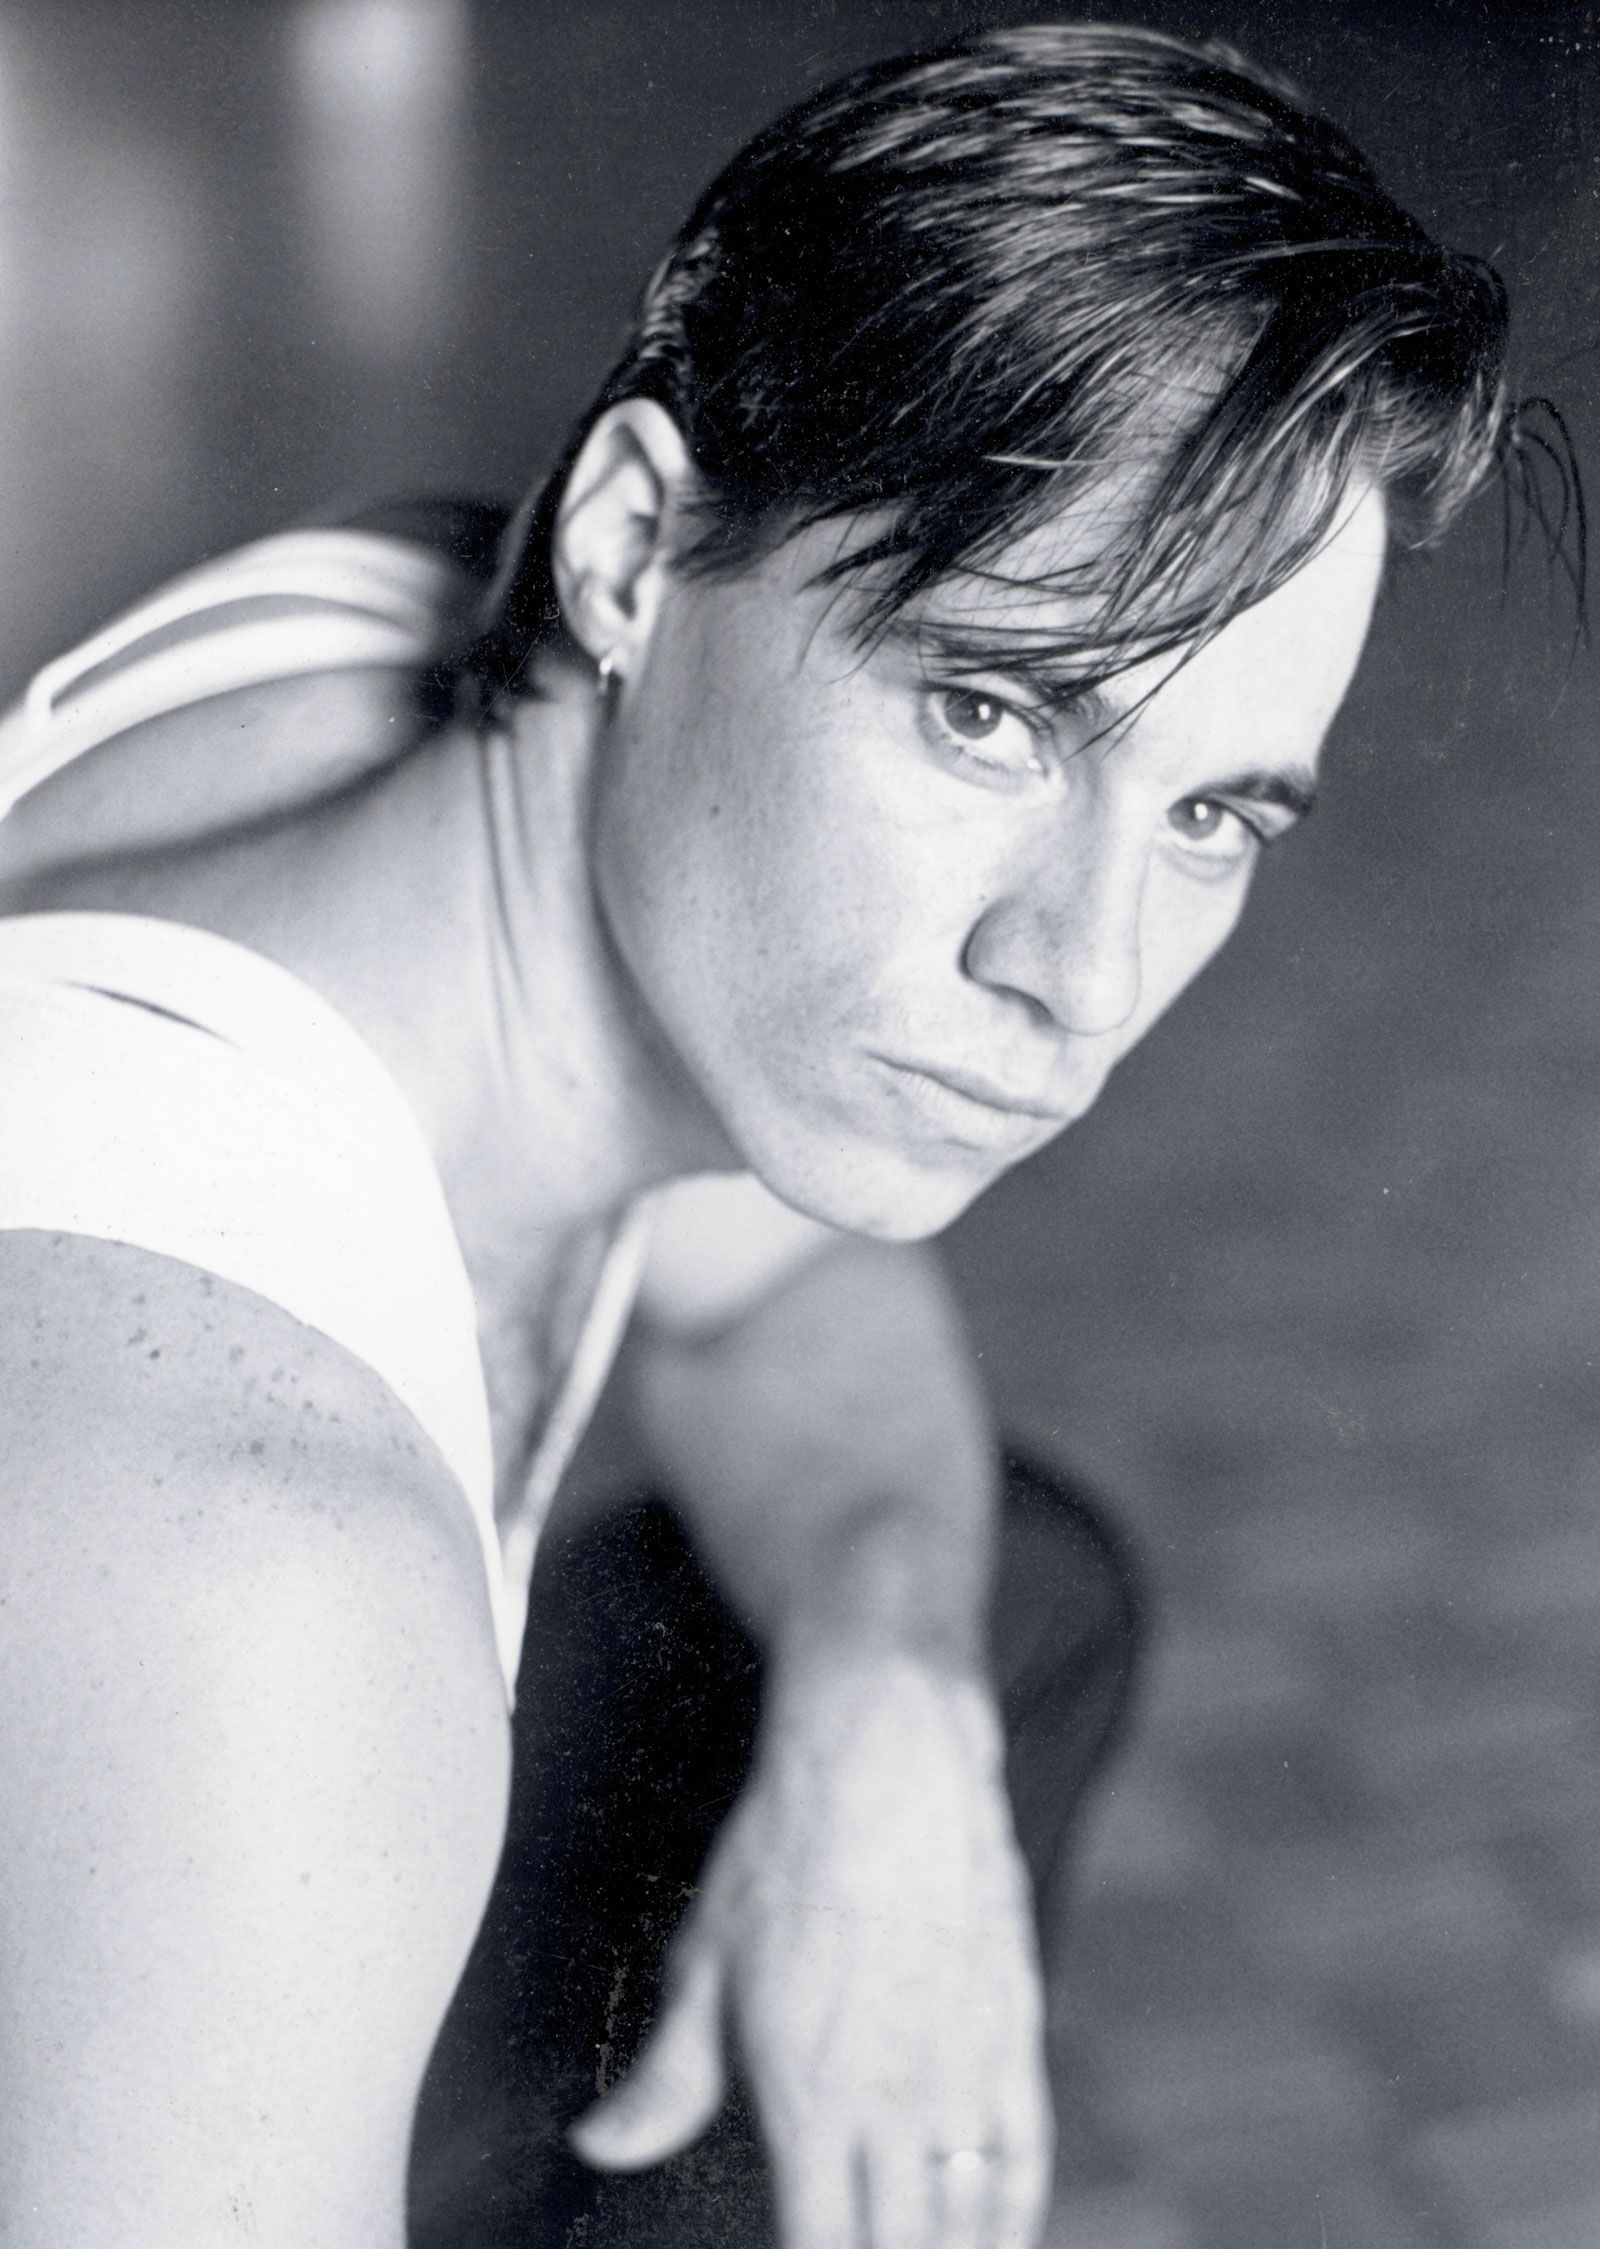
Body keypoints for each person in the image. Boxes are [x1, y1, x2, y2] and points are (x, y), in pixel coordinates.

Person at [0, 21, 1529, 2249]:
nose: (1077, 974)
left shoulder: (415, 686)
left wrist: (881, 1710)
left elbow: (783, 1288)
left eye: (1207, 813)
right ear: (632, 548)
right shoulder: (258, 1565)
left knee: (993, 1597)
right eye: (990, 711)